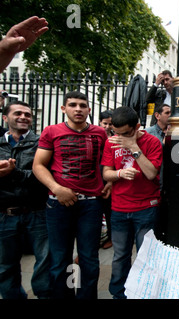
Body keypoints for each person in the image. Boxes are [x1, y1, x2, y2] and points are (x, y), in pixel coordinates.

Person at [32, 91, 108, 299]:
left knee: (88, 259)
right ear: (64, 109)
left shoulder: (100, 133)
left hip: (91, 205)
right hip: (58, 204)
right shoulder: (51, 131)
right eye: (73, 105)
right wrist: (57, 189)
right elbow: (38, 166)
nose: (78, 109)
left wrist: (109, 182)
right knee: (60, 259)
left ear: (89, 110)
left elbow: (108, 162)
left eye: (82, 105)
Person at [101, 106, 162, 299]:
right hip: (119, 208)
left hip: (146, 207)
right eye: (115, 133)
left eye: (126, 133)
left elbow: (152, 173)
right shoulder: (111, 143)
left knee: (146, 256)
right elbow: (106, 173)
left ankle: (144, 293)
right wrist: (118, 174)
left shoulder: (152, 142)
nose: (120, 138)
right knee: (120, 256)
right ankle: (119, 294)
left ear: (137, 126)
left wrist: (134, 148)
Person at [0, 101, 50, 299]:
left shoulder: (41, 143)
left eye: (27, 114)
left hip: (36, 211)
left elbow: (44, 175)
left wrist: (14, 172)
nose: (23, 117)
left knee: (45, 261)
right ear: (5, 117)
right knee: (6, 265)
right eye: (18, 113)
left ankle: (44, 295)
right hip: (4, 213)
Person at [98, 110, 114, 250]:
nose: (108, 126)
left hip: (109, 179)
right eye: (105, 123)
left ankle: (110, 237)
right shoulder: (96, 136)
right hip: (96, 178)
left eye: (110, 124)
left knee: (109, 211)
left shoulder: (115, 137)